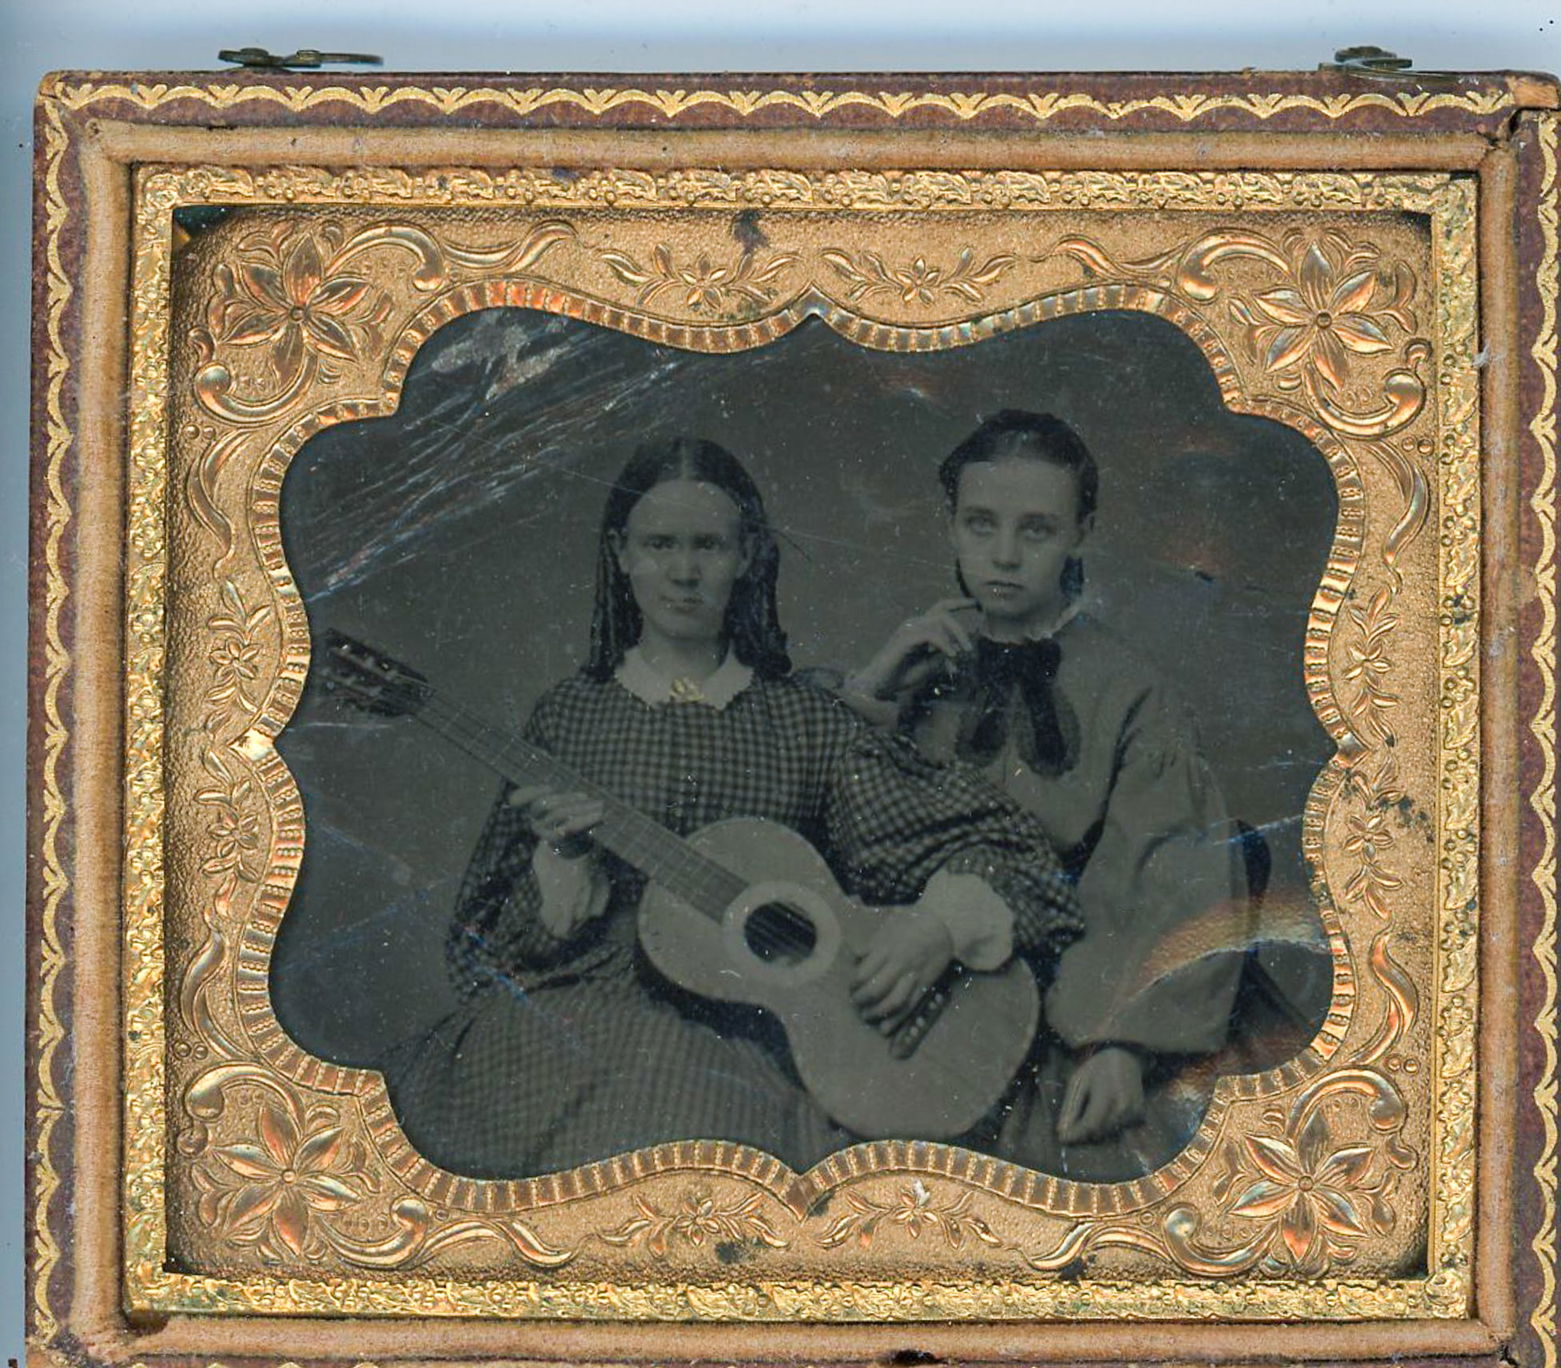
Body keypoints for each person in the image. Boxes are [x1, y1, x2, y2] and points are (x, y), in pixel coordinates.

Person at [385, 436, 1082, 1180]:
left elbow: (1003, 847)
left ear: (747, 554)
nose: (684, 571)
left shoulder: (803, 722)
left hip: (744, 1046)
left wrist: (936, 926)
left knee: (687, 1127)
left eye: (708, 545)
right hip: (567, 1032)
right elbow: (480, 952)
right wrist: (559, 872)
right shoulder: (567, 718)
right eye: (659, 545)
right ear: (621, 554)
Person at [843, 410, 1253, 1180]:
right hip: (901, 999)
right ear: (951, 524)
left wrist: (1125, 1038)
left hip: (1067, 1008)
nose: (1002, 556)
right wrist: (871, 693)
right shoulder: (915, 661)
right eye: (980, 525)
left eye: (1035, 531)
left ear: (1080, 531)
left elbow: (1170, 868)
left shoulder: (1129, 689)